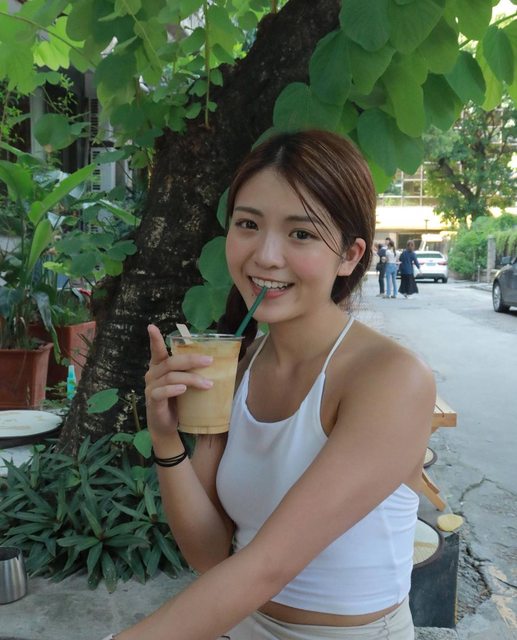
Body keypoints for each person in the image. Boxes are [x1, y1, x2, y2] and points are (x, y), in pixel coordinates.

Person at [103, 130, 435, 640]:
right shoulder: (237, 367)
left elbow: (268, 565)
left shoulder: (391, 380)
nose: (266, 256)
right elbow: (210, 555)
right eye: (248, 225)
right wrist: (167, 439)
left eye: (300, 233)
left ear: (349, 255)